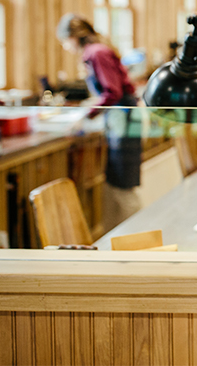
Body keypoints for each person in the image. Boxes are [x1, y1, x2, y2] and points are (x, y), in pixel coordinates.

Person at [56, 13, 142, 232]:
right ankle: (116, 237)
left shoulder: (96, 53)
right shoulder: (98, 50)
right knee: (114, 182)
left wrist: (86, 116)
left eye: (65, 42)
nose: (66, 47)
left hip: (123, 119)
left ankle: (138, 236)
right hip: (119, 120)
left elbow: (112, 91)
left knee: (123, 184)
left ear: (73, 37)